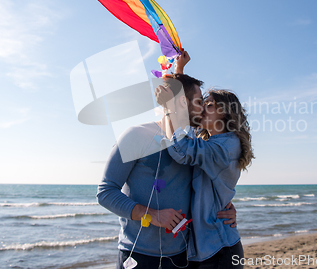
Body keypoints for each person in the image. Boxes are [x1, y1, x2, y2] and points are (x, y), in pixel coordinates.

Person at [97, 56, 237, 269]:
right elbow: (106, 192)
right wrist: (151, 214)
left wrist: (225, 206)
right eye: (199, 102)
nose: (204, 109)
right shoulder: (136, 135)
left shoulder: (193, 144)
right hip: (138, 255)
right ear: (182, 102)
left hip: (183, 256)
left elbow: (209, 186)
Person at [156, 60, 254, 268]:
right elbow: (186, 113)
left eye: (208, 106)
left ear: (225, 113)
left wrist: (168, 107)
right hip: (207, 247)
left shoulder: (226, 146)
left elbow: (181, 150)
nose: (201, 109)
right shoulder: (210, 142)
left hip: (219, 248)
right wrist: (179, 72)